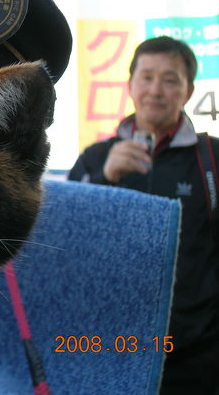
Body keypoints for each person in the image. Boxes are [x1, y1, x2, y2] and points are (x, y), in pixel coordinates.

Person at [68, 36, 218, 394]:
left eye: (170, 79)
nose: (156, 89)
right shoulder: (96, 157)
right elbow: (69, 243)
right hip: (112, 347)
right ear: (130, 84)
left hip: (198, 354)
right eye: (147, 77)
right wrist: (105, 180)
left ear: (188, 90)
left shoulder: (211, 157)